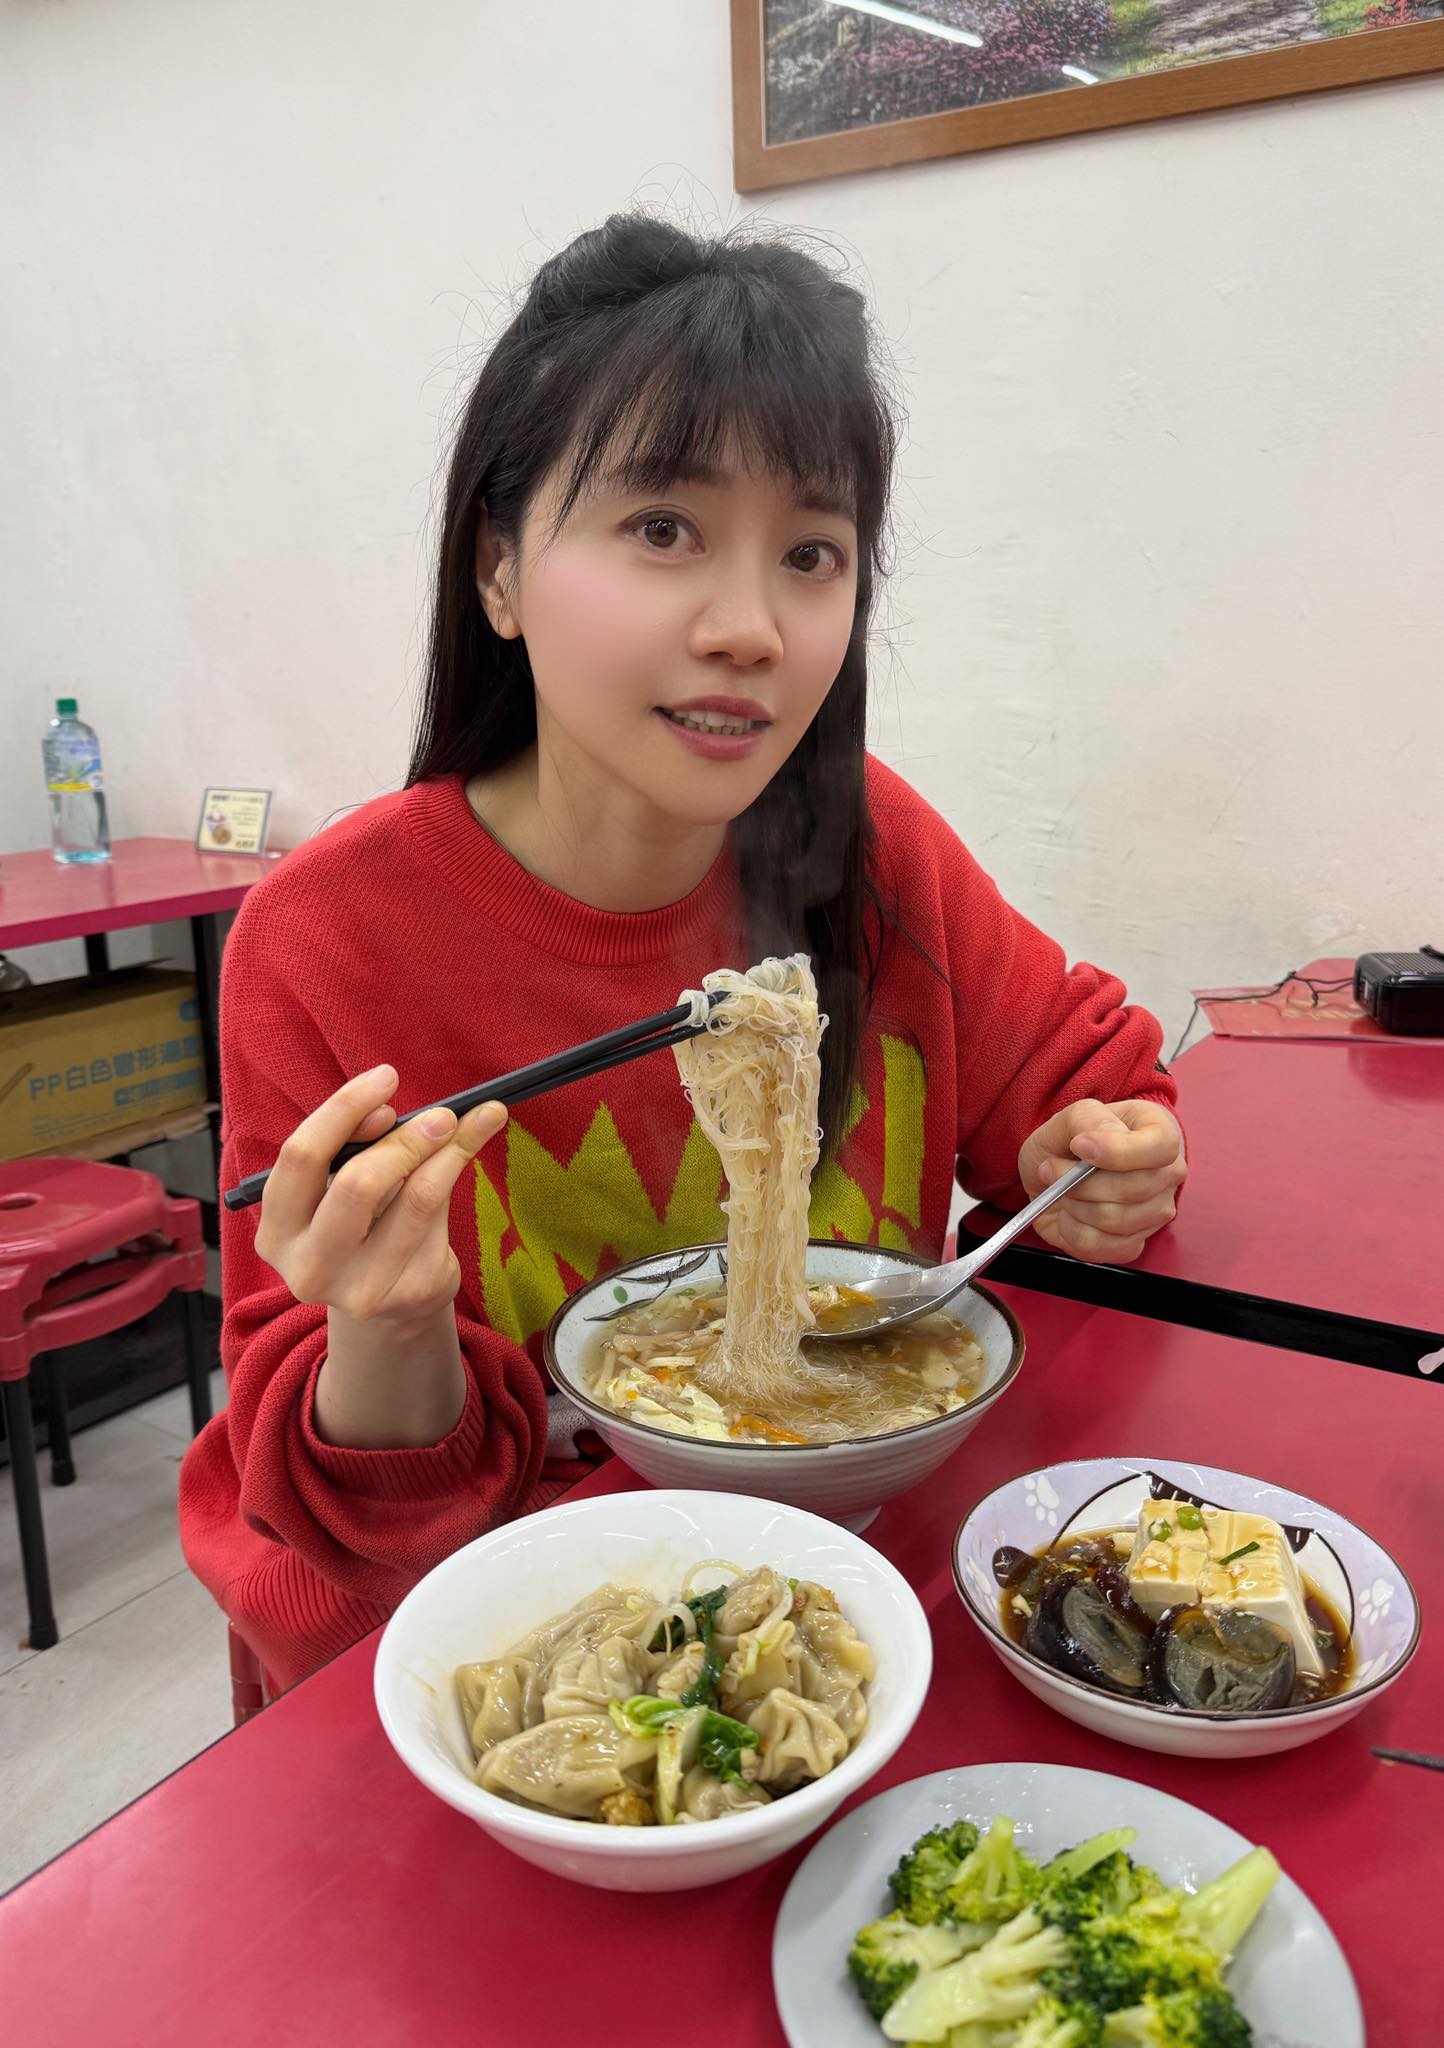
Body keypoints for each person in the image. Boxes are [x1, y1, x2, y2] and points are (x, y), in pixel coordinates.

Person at [180, 215, 1185, 1691]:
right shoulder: (331, 936)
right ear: (498, 570)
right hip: (494, 1658)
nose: (751, 628)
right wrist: (386, 1330)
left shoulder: (870, 847)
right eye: (664, 529)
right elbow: (355, 1527)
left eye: (812, 553)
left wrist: (1097, 1158)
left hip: (854, 1599)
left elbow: (1081, 1081)